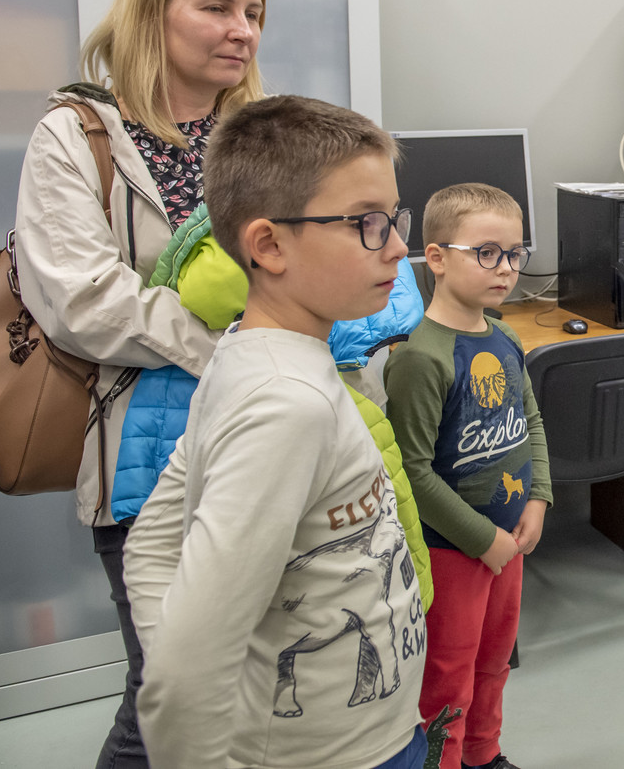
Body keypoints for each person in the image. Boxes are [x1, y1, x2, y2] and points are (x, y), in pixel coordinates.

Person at [13, 0, 265, 768]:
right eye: (217, 7)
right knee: (168, 694)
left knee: (266, 679)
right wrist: (234, 345)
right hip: (145, 459)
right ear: (152, 11)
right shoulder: (77, 133)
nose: (242, 30)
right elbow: (81, 300)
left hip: (266, 435)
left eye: (253, 13)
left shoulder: (263, 133)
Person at [122, 95, 427, 769]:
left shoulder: (247, 353)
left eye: (393, 218)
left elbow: (149, 546)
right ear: (269, 245)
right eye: (368, 224)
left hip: (375, 736)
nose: (399, 246)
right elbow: (182, 677)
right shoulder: (287, 407)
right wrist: (198, 670)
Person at [383, 183, 552, 769]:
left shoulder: (505, 337)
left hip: (510, 540)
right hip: (454, 550)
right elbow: (412, 472)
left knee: (494, 661)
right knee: (449, 675)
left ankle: (483, 754)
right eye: (486, 252)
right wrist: (483, 540)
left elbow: (530, 421)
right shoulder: (419, 358)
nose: (505, 268)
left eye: (514, 253)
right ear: (436, 258)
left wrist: (539, 498)